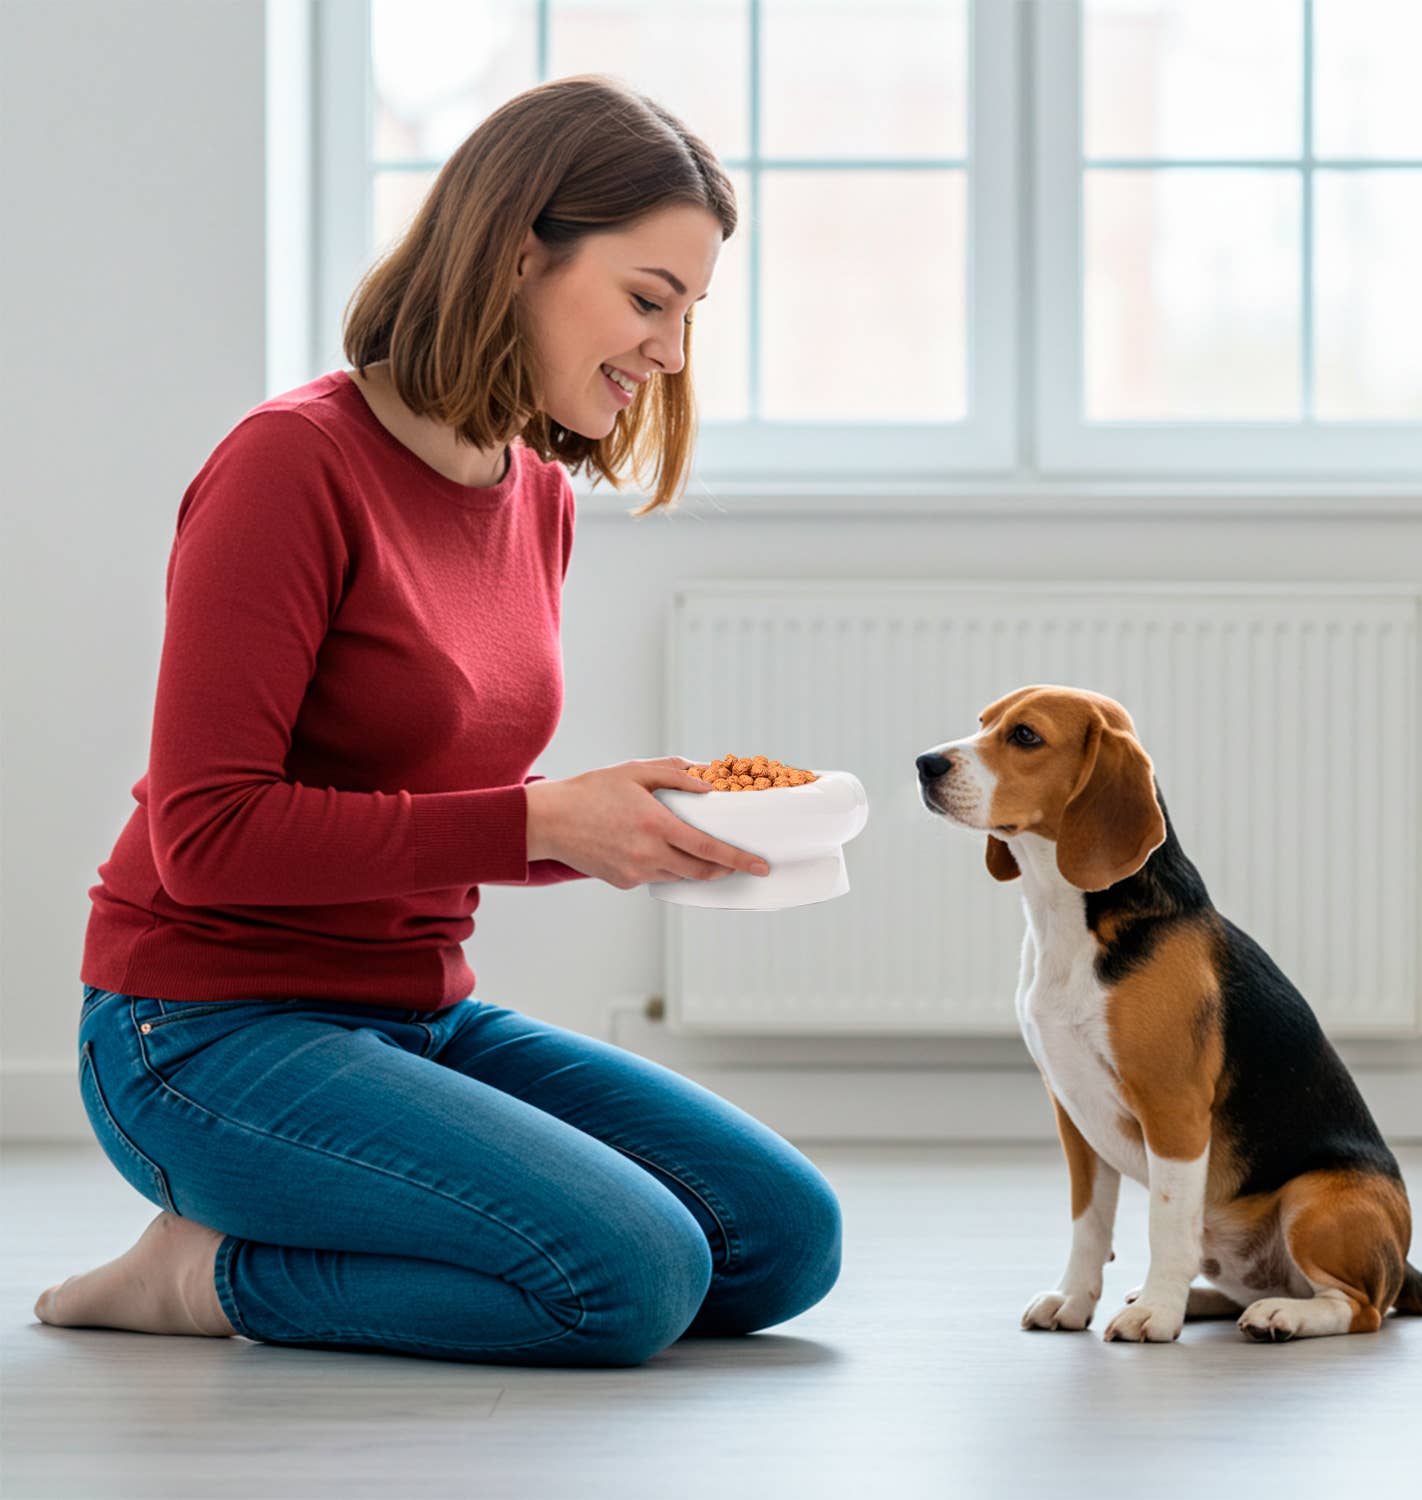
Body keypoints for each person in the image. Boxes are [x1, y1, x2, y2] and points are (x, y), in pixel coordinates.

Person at [35, 76, 841, 1366]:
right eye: (647, 299)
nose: (672, 353)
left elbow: (428, 805)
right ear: (522, 252)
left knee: (781, 1242)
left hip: (416, 1015)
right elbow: (208, 836)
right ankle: (199, 1279)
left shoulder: (535, 495)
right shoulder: (290, 466)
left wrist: (603, 829)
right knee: (629, 1279)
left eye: (690, 314)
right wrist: (537, 819)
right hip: (198, 1032)